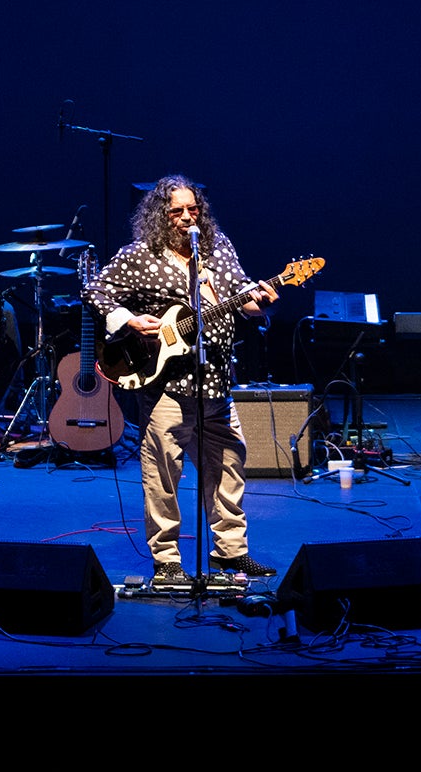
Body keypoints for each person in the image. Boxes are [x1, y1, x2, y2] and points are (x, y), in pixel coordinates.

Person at [85, 175, 277, 584]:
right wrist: (129, 320)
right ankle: (168, 561)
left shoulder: (217, 246)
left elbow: (241, 294)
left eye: (193, 209)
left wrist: (258, 303)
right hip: (166, 384)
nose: (187, 217)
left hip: (216, 380)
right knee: (163, 474)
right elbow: (96, 290)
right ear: (160, 215)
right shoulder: (141, 255)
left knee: (228, 467)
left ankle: (230, 554)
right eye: (176, 211)